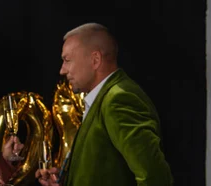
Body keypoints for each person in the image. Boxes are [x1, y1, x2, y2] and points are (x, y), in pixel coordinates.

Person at [35, 23, 173, 186]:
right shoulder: (104, 97)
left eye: (67, 60)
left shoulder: (119, 99)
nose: (62, 70)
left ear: (95, 60)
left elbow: (154, 177)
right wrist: (67, 179)